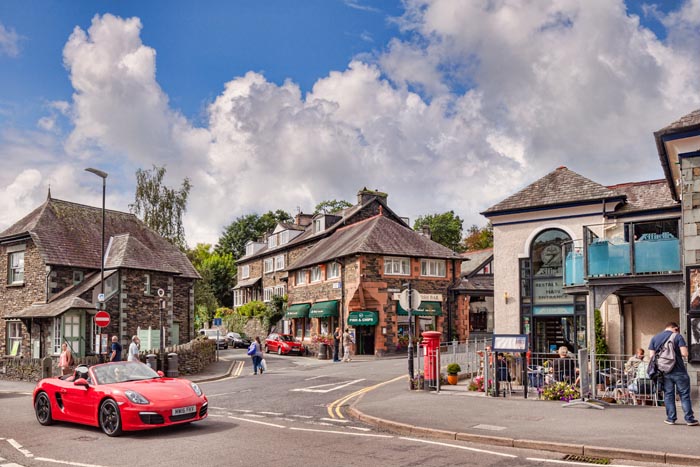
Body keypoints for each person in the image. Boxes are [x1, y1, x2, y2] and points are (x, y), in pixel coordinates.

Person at [649, 322, 699, 426]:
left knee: (668, 395)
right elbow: (684, 353)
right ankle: (689, 419)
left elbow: (651, 356)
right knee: (684, 395)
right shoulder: (677, 336)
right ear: (675, 328)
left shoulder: (655, 338)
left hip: (664, 372)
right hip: (679, 371)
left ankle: (671, 419)